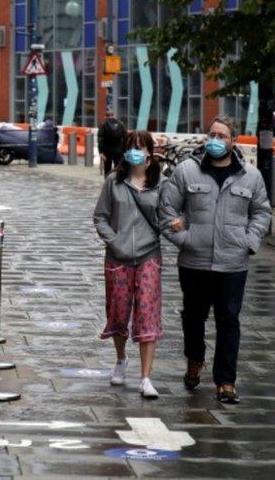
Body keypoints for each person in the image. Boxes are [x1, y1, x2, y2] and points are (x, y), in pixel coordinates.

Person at [158, 116, 272, 404]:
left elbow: (261, 212)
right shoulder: (187, 170)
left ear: (233, 141)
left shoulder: (250, 176)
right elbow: (166, 209)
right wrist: (185, 239)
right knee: (193, 318)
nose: (216, 140)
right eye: (212, 134)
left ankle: (226, 381)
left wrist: (250, 241)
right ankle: (195, 360)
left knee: (228, 320)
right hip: (193, 262)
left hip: (233, 263)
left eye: (222, 136)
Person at [93, 130, 167, 399]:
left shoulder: (161, 184)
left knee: (147, 313)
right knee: (118, 312)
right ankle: (121, 358)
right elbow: (100, 217)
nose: (134, 152)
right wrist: (114, 241)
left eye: (139, 147)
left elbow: (168, 217)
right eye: (130, 147)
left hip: (149, 256)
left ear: (149, 154)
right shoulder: (114, 182)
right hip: (117, 258)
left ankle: (146, 377)